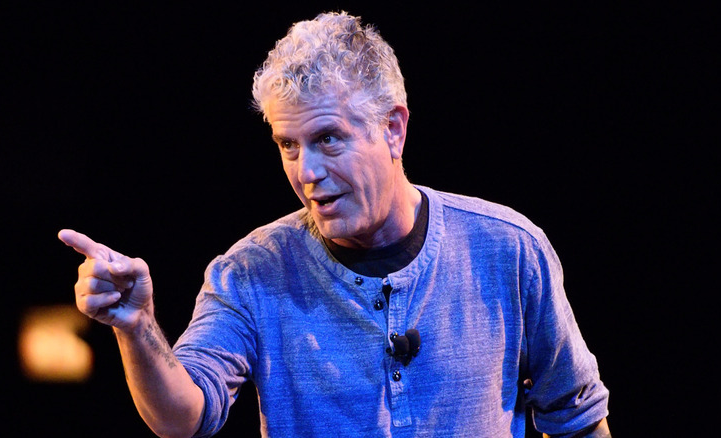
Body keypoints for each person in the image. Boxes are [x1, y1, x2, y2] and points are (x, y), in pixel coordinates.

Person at [58, 11, 611, 438]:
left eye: (327, 139)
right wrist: (137, 328)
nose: (307, 172)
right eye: (288, 146)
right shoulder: (250, 272)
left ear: (393, 129)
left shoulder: (507, 250)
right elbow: (184, 417)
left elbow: (578, 415)